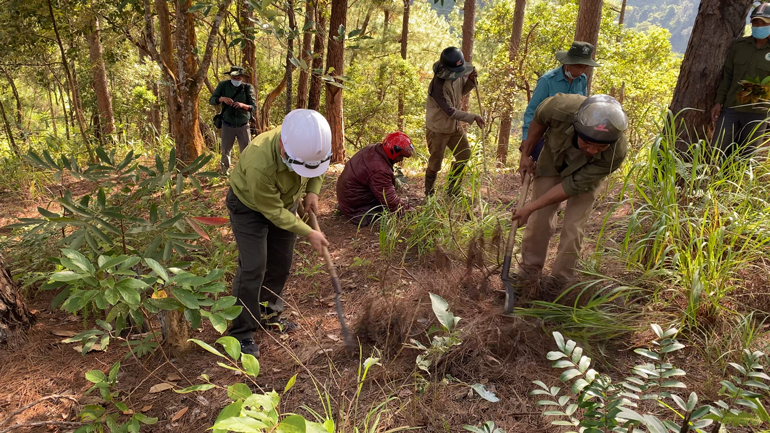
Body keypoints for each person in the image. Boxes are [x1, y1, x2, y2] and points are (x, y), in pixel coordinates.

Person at [226, 109, 332, 357]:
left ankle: (268, 313)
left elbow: (318, 167)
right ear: (283, 147)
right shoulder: (258, 163)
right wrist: (309, 232)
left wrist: (313, 191)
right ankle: (241, 332)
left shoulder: (313, 143)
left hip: (285, 202)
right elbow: (273, 212)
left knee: (281, 262)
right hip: (250, 208)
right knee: (253, 266)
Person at [512, 94, 628, 294]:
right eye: (586, 143)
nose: (592, 150)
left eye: (600, 147)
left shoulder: (615, 153)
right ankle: (528, 272)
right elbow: (539, 119)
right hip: (553, 159)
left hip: (585, 175)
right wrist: (526, 154)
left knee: (574, 226)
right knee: (539, 218)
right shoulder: (560, 107)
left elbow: (569, 188)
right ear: (576, 128)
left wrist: (529, 207)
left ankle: (560, 281)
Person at [520, 41, 600, 161]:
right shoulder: (547, 81)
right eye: (578, 66)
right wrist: (527, 139)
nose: (580, 71)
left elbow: (583, 107)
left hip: (569, 135)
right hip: (545, 135)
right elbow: (532, 111)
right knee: (545, 165)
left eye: (584, 67)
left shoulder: (582, 80)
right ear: (568, 62)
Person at [711, 3, 770, 159]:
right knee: (718, 150)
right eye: (756, 22)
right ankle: (715, 182)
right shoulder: (739, 46)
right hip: (731, 108)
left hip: (758, 113)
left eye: (764, 23)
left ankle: (734, 183)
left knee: (746, 157)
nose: (759, 26)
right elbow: (728, 76)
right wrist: (718, 102)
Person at [424, 47, 485, 197]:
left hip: (455, 127)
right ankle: (429, 194)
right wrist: (473, 117)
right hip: (438, 129)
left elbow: (460, 92)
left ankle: (453, 190)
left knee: (464, 155)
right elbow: (449, 111)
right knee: (435, 164)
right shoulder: (437, 86)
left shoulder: (457, 74)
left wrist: (471, 81)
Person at [336, 132, 414, 225]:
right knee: (385, 209)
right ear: (392, 151)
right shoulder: (379, 170)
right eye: (401, 156)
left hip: (348, 197)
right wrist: (411, 213)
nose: (401, 160)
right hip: (356, 209)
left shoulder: (372, 149)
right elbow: (389, 199)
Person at [210, 66, 257, 173]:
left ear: (242, 77)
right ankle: (224, 171)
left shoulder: (247, 88)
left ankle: (246, 171)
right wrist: (222, 99)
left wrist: (242, 105)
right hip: (227, 124)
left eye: (238, 77)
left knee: (246, 151)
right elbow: (212, 100)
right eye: (234, 77)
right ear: (230, 75)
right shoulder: (223, 85)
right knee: (226, 151)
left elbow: (253, 107)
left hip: (243, 125)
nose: (236, 79)